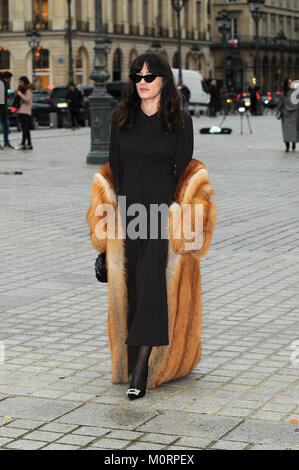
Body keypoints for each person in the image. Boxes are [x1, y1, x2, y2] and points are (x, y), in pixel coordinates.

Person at [86, 53, 217, 401]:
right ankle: (132, 358)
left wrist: (179, 220)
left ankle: (142, 367)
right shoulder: (121, 120)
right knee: (129, 286)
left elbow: (183, 172)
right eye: (137, 76)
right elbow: (115, 169)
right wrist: (107, 232)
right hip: (129, 214)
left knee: (150, 282)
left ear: (164, 80)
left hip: (160, 215)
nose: (143, 82)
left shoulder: (179, 121)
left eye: (150, 76)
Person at [275, 78, 299, 152]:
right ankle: (287, 145)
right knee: (286, 132)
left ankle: (294, 143)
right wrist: (278, 113)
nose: (290, 84)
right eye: (289, 83)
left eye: (291, 82)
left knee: (294, 131)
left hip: (295, 115)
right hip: (286, 116)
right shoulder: (283, 94)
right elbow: (280, 105)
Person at [15, 76, 34, 150]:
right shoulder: (22, 90)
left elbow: (27, 100)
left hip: (25, 111)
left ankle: (23, 143)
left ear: (25, 82)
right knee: (25, 128)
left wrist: (20, 94)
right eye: (19, 82)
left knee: (25, 128)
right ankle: (29, 144)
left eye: (21, 82)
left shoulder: (28, 90)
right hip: (21, 110)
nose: (20, 84)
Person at [0, 71, 14, 149]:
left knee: (6, 125)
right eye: (10, 79)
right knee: (5, 125)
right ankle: (6, 142)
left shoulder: (6, 84)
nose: (10, 80)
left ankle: (6, 142)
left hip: (4, 109)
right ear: (6, 78)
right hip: (1, 109)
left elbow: (6, 94)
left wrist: (7, 95)